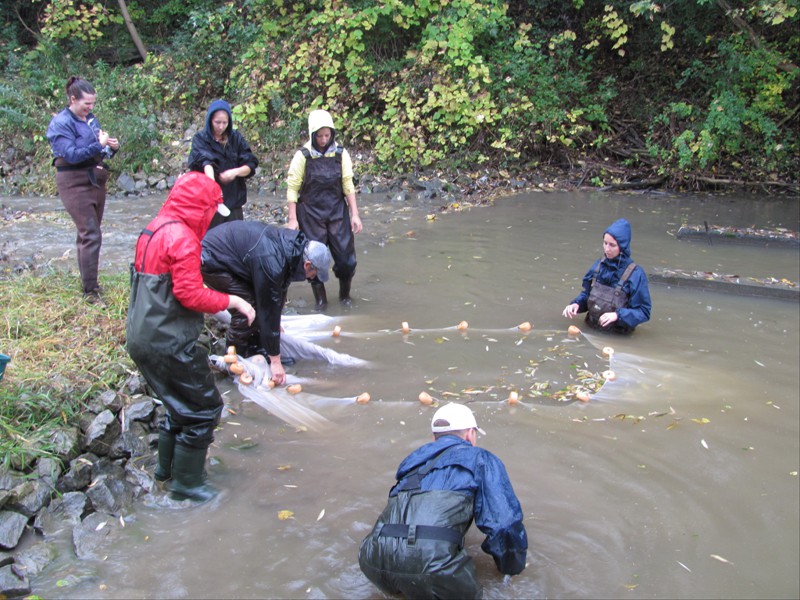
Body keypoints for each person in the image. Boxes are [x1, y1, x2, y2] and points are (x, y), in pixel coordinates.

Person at [126, 172, 256, 502]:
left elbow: (176, 285)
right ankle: (188, 486)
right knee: (204, 408)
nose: (212, 218)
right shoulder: (182, 239)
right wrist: (234, 301)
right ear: (200, 208)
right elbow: (189, 295)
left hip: (141, 336)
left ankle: (166, 473)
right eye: (211, 211)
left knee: (178, 406)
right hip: (168, 341)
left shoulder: (153, 228)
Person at [358, 403, 528, 599]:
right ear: (470, 434)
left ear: (434, 438)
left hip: (373, 561)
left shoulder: (412, 463)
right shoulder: (481, 458)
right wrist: (509, 571)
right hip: (432, 567)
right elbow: (504, 525)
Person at [200, 221, 332, 386]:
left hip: (237, 258)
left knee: (260, 307)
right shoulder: (272, 261)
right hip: (213, 260)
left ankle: (256, 346)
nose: (312, 278)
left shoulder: (293, 250)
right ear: (307, 265)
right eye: (314, 274)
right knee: (247, 307)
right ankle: (234, 357)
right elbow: (268, 306)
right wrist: (276, 361)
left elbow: (280, 290)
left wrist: (275, 324)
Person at [46, 76, 120, 303]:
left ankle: (90, 283)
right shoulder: (60, 123)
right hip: (73, 182)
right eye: (87, 103)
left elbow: (98, 152)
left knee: (90, 232)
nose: (90, 108)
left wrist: (111, 148)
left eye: (93, 104)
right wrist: (99, 144)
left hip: (95, 180)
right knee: (90, 233)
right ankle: (90, 291)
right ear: (73, 99)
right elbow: (71, 155)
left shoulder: (90, 120)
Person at [286, 109, 362, 310]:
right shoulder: (302, 156)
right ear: (312, 134)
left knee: (347, 261)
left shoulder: (340, 154)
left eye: (327, 135)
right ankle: (321, 301)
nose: (323, 139)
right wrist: (292, 219)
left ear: (332, 134)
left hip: (337, 213)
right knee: (314, 258)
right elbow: (293, 187)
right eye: (319, 135)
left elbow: (348, 184)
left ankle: (345, 296)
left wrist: (355, 214)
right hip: (310, 214)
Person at [562, 218, 652, 334]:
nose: (607, 249)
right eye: (605, 243)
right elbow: (588, 295)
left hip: (617, 336)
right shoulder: (598, 266)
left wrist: (617, 315)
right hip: (589, 328)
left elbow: (643, 312)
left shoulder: (636, 275)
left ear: (622, 246)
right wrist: (576, 304)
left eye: (612, 245)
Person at [187, 99, 259, 228]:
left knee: (235, 242)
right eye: (217, 122)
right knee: (212, 242)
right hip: (210, 203)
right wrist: (212, 186)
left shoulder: (236, 138)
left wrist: (235, 172)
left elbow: (251, 163)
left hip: (234, 201)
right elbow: (205, 162)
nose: (221, 127)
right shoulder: (200, 139)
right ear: (210, 120)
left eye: (224, 123)